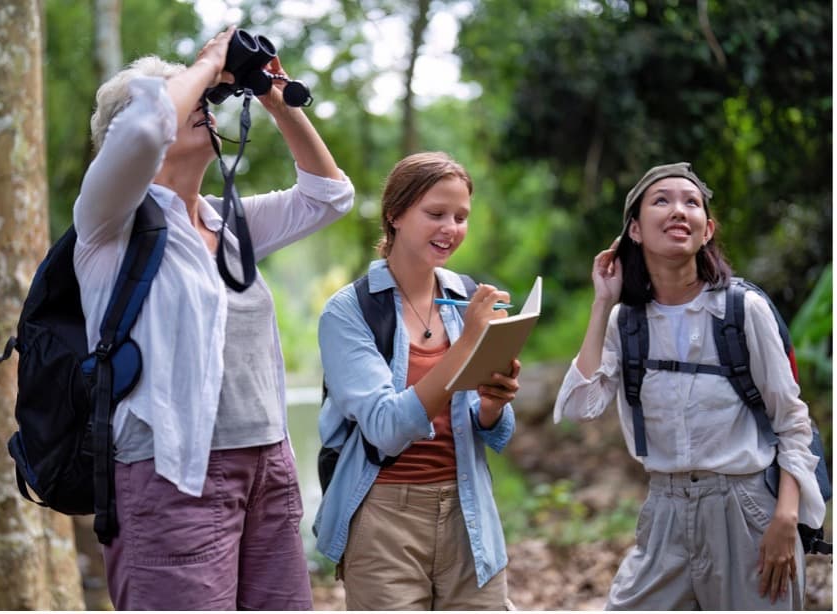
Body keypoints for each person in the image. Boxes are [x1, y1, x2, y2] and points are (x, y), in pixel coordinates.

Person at [74, 27, 355, 610]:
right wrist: (205, 63)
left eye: (205, 95)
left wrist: (278, 101)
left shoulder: (230, 222)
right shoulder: (107, 222)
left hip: (268, 467)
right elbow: (148, 125)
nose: (204, 103)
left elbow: (329, 196)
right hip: (173, 473)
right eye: (189, 97)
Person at [553, 162, 825, 610]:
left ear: (707, 229)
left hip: (747, 509)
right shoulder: (628, 322)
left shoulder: (743, 310)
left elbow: (792, 420)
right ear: (635, 230)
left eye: (691, 203)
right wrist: (603, 302)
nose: (679, 210)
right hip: (665, 509)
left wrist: (786, 517)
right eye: (662, 201)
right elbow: (581, 407)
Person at [313, 151, 520, 610]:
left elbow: (495, 430)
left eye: (461, 216)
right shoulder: (348, 312)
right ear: (395, 215)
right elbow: (385, 429)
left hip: (469, 512)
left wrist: (493, 403)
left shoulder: (466, 297)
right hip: (383, 518)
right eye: (436, 214)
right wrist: (467, 344)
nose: (451, 228)